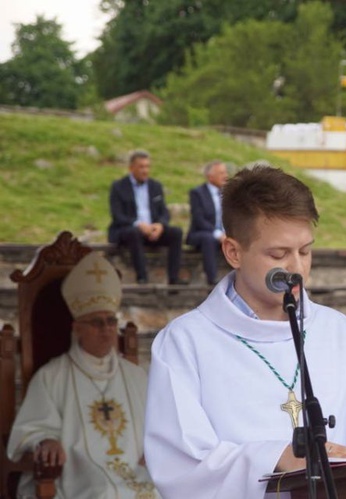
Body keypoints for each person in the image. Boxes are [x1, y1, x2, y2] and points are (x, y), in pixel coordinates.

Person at [143, 164, 346, 498]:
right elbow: (181, 466)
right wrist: (274, 457)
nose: (296, 268)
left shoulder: (342, 334)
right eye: (279, 254)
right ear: (233, 252)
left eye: (305, 251)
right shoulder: (184, 343)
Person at [7, 252, 158, 498]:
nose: (107, 329)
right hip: (79, 474)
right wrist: (46, 441)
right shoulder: (51, 377)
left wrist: (155, 448)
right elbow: (31, 429)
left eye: (111, 321)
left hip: (136, 470)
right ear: (77, 329)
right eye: (96, 322)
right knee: (104, 492)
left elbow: (159, 426)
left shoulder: (135, 375)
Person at [108, 149, 185, 285]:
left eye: (147, 166)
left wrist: (160, 225)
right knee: (134, 232)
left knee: (176, 232)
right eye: (141, 167)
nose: (145, 170)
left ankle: (174, 278)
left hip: (152, 230)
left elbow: (164, 212)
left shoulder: (155, 186)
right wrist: (138, 224)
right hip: (130, 230)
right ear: (131, 168)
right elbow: (117, 215)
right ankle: (142, 278)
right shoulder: (119, 187)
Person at [187, 160, 229, 285]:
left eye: (225, 172)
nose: (226, 176)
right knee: (208, 239)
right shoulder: (197, 193)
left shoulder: (228, 193)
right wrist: (218, 235)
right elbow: (199, 219)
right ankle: (212, 279)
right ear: (210, 177)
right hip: (202, 233)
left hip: (224, 234)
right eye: (221, 173)